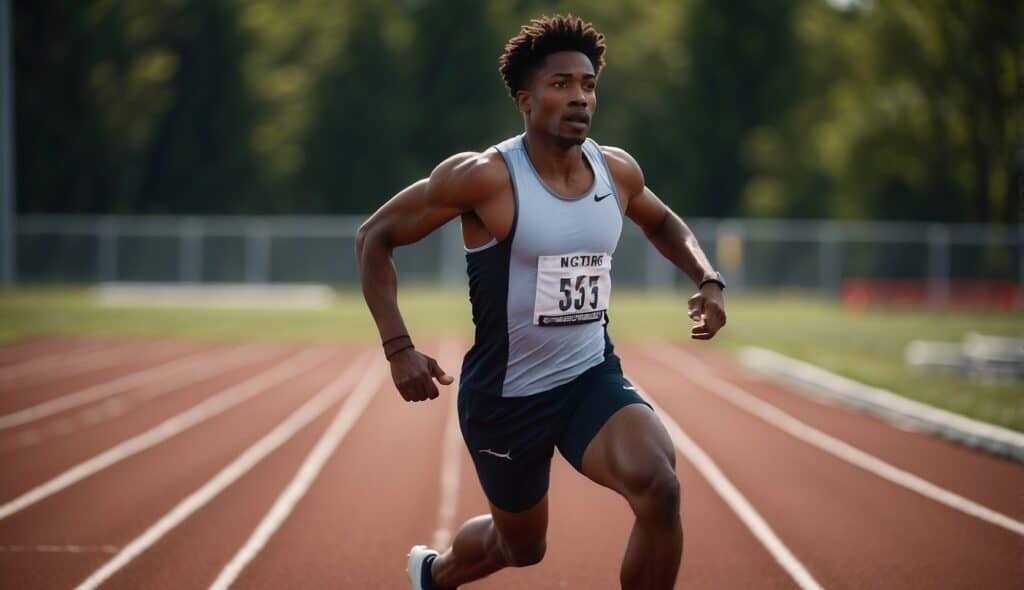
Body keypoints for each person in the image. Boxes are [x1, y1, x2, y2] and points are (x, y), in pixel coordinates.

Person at [355, 14, 726, 590]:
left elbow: (664, 222)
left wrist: (707, 279)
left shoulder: (617, 170)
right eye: (561, 85)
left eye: (588, 84)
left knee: (660, 488)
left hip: (588, 378)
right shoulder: (484, 179)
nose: (580, 97)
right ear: (526, 101)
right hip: (506, 400)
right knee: (522, 547)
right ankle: (436, 574)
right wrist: (398, 347)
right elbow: (374, 237)